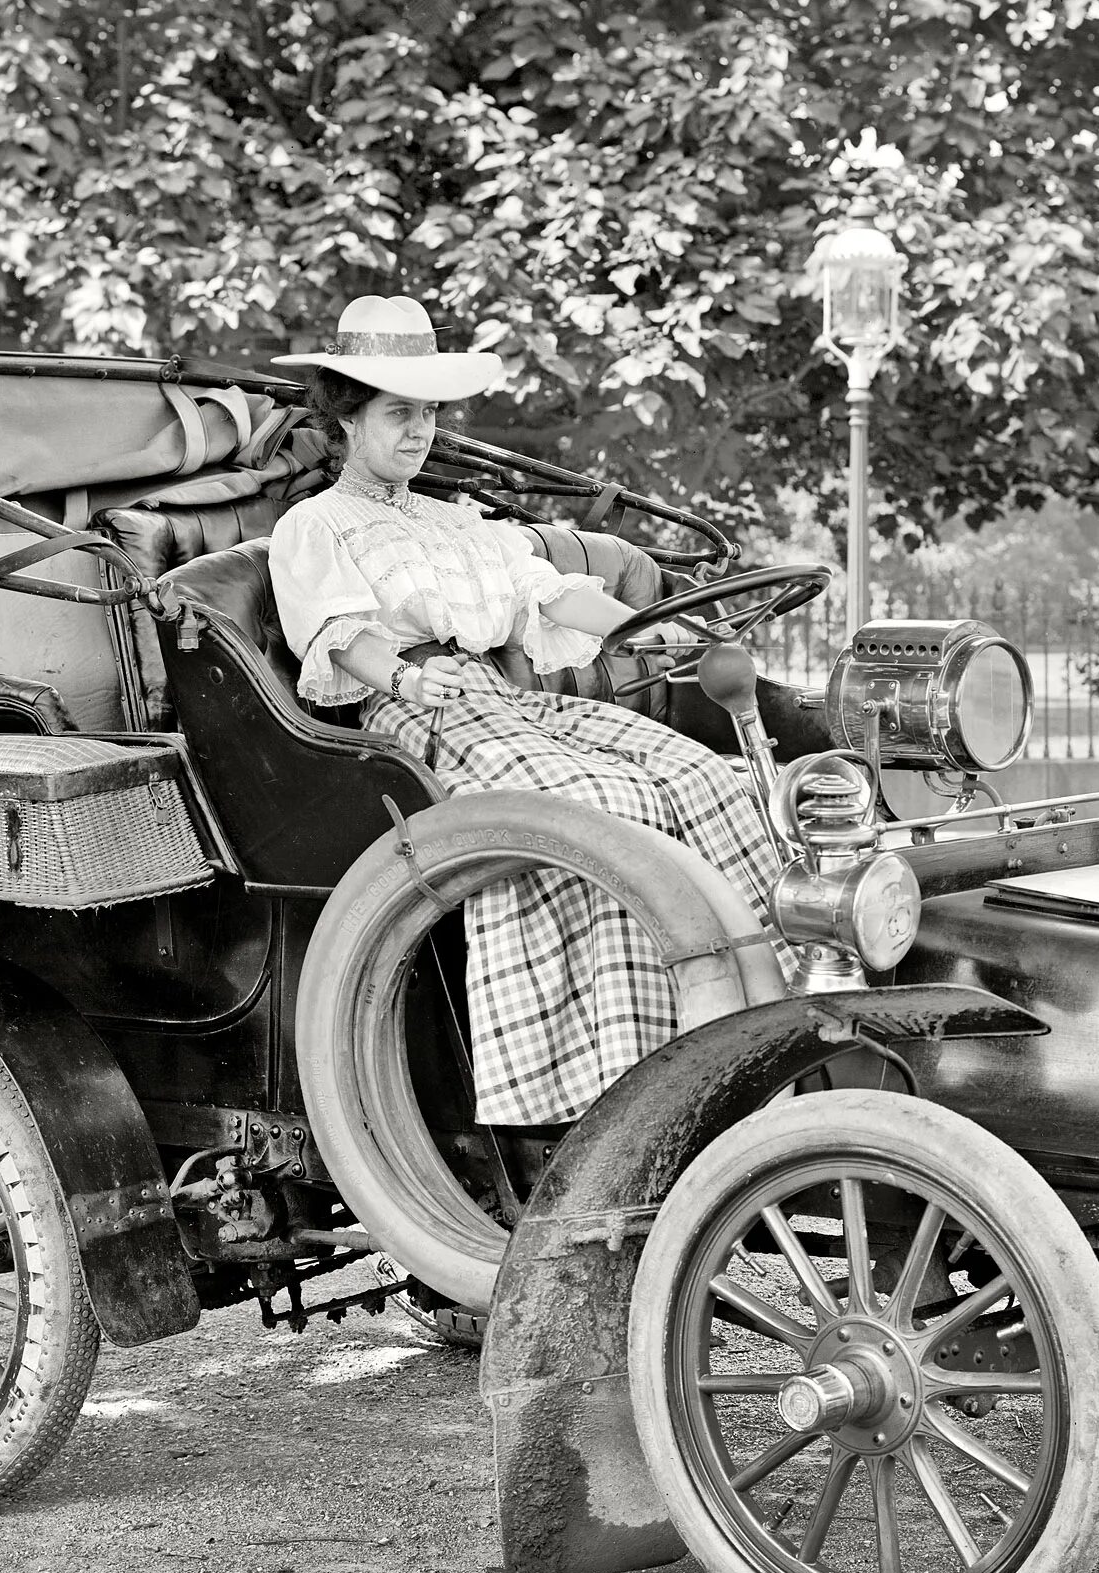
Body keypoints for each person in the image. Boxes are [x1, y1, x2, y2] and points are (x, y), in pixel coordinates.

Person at [269, 295, 790, 1128]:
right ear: (345, 420)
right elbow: (339, 635)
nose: (419, 430)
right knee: (606, 810)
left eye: (429, 412)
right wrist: (404, 680)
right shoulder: (316, 525)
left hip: (501, 701)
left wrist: (659, 626)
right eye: (397, 412)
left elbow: (549, 596)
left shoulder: (461, 522)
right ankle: (628, 1072)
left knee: (707, 776)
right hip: (412, 722)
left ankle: (761, 1022)